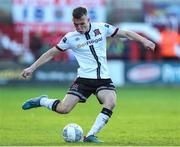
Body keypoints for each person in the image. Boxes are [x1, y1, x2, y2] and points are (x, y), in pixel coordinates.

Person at [21, 7, 155, 143]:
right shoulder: (70, 38)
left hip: (103, 79)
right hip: (84, 79)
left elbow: (126, 33)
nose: (79, 27)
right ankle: (42, 101)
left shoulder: (102, 28)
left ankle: (90, 135)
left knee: (111, 102)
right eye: (76, 24)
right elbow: (50, 54)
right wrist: (32, 68)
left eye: (82, 24)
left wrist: (145, 40)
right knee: (63, 109)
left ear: (88, 19)